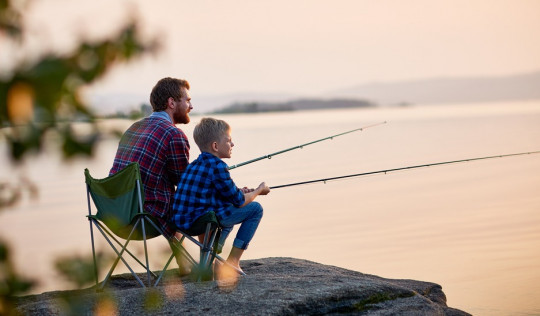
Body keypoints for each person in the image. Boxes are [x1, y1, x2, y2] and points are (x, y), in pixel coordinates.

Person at [109, 77, 193, 273]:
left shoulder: (133, 128)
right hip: (143, 219)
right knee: (193, 199)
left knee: (166, 197)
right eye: (187, 100)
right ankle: (202, 265)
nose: (191, 106)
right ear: (172, 103)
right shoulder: (174, 134)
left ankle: (185, 263)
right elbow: (184, 184)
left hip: (115, 214)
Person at [172, 117, 270, 275]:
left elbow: (216, 191)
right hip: (202, 222)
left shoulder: (194, 165)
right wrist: (258, 190)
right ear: (215, 146)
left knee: (226, 206)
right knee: (255, 209)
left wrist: (240, 190)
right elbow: (238, 201)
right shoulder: (218, 166)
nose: (232, 144)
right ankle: (233, 262)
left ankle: (212, 260)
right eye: (229, 141)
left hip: (181, 223)